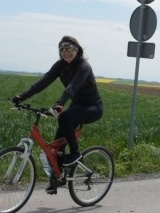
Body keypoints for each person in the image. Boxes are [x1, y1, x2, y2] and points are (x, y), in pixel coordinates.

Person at [11, 36, 104, 194]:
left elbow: (72, 88)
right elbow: (43, 81)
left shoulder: (83, 66)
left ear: (77, 50)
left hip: (92, 107)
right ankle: (57, 179)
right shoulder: (60, 66)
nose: (66, 53)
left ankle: (75, 153)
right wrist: (22, 96)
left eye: (69, 49)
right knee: (56, 147)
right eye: (62, 50)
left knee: (64, 117)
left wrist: (60, 103)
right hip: (76, 107)